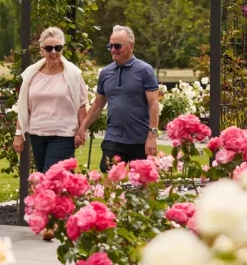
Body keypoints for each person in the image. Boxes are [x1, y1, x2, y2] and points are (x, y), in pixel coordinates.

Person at [76, 25, 160, 171]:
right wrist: (83, 127)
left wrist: (152, 136)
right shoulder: (106, 73)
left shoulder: (145, 70)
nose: (113, 49)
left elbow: (153, 104)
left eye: (117, 46)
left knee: (142, 185)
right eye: (110, 46)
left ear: (131, 46)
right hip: (114, 137)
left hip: (139, 139)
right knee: (108, 175)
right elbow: (97, 105)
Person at [12, 26, 90, 174]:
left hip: (64, 135)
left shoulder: (73, 74)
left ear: (62, 48)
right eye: (49, 48)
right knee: (45, 180)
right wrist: (18, 134)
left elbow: (81, 105)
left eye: (57, 47)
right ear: (42, 50)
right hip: (38, 134)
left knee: (51, 177)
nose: (53, 52)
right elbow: (24, 107)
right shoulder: (31, 75)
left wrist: (81, 130)